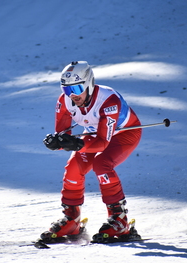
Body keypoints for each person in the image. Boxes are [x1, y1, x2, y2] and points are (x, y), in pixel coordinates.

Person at [42, 61, 142, 242]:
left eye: (78, 88)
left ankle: (120, 220)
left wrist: (76, 144)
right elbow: (65, 136)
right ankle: (72, 220)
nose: (73, 95)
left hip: (124, 133)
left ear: (89, 83)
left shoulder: (108, 101)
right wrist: (57, 142)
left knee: (101, 164)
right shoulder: (64, 102)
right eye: (67, 90)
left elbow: (102, 142)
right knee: (73, 167)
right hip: (94, 133)